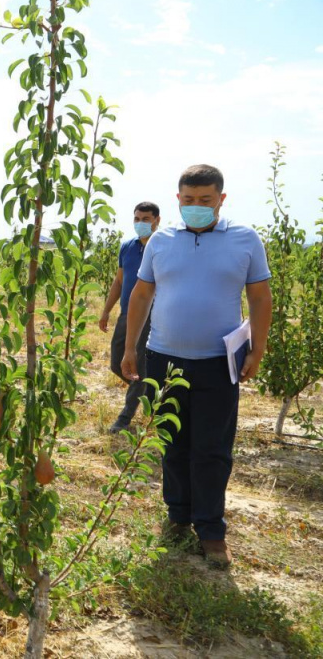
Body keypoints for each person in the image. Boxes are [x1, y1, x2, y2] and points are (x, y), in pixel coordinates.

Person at [122, 164, 272, 569]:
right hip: (164, 359)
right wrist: (130, 347)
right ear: (178, 200)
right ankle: (177, 516)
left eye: (205, 200)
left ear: (221, 199)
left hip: (217, 363)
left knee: (212, 449)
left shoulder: (244, 240)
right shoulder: (161, 242)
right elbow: (141, 295)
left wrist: (257, 349)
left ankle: (211, 531)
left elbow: (260, 297)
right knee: (171, 444)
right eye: (188, 200)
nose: (196, 207)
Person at [99, 202, 161, 432]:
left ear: (157, 220)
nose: (140, 223)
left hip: (151, 316)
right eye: (137, 219)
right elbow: (118, 281)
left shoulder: (163, 246)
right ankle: (147, 390)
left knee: (136, 364)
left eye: (145, 219)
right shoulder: (127, 247)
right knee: (118, 363)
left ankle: (124, 418)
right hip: (127, 314)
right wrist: (106, 310)